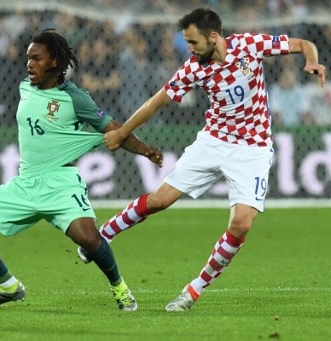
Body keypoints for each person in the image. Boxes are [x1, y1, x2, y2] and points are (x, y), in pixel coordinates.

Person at [77, 7, 326, 312]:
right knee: (159, 200)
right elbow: (156, 101)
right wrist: (122, 132)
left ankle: (193, 291)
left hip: (253, 148)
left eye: (193, 43)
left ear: (213, 37)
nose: (190, 49)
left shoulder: (250, 45)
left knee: (241, 225)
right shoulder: (194, 68)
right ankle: (105, 234)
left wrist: (312, 62)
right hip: (214, 141)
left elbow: (302, 45)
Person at [0, 29, 163, 312]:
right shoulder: (24, 87)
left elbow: (115, 131)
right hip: (25, 182)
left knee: (89, 239)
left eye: (36, 59)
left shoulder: (75, 98)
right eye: (28, 58)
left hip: (60, 183)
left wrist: (146, 150)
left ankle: (121, 289)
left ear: (54, 62)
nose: (29, 64)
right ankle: (7, 286)